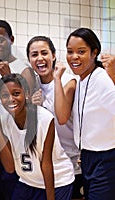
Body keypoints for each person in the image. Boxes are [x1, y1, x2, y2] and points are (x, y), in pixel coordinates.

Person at [0, 73, 74, 200]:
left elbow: (46, 164)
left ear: (26, 94)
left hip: (57, 182)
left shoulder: (44, 118)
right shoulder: (4, 122)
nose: (11, 99)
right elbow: (10, 168)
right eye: (5, 95)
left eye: (16, 93)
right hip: (28, 182)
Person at [54, 27, 115, 200]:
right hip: (88, 157)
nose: (74, 57)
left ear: (94, 53)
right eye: (70, 52)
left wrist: (114, 75)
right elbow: (62, 117)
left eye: (81, 52)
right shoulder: (81, 80)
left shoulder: (102, 78)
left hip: (106, 158)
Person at [0, 19, 38, 200]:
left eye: (1, 39)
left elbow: (28, 111)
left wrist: (7, 76)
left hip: (15, 149)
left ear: (11, 39)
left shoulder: (24, 70)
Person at [26, 36, 83, 199]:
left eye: (44, 53)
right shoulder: (31, 85)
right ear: (29, 59)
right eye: (34, 54)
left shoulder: (68, 81)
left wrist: (56, 79)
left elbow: (61, 117)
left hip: (70, 164)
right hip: (44, 166)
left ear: (53, 55)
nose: (40, 58)